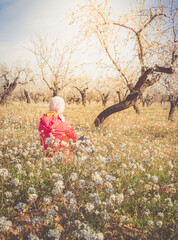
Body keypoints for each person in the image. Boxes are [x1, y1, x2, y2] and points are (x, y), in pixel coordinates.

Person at [39, 96, 77, 163]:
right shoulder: (65, 122)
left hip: (46, 156)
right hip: (63, 158)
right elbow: (74, 139)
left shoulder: (42, 121)